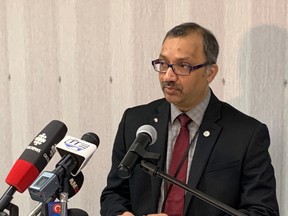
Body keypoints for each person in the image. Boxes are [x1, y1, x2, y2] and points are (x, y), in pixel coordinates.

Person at [100, 22, 279, 216]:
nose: (168, 76)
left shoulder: (246, 134)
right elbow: (114, 194)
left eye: (182, 66)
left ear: (210, 73)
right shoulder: (135, 122)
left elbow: (263, 211)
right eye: (163, 64)